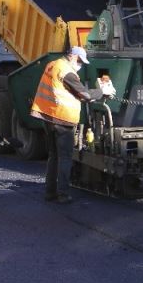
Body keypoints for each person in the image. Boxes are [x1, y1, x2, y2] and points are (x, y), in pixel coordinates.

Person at [30, 46, 115, 204]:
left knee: (53, 156)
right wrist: (103, 91)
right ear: (73, 57)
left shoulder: (53, 64)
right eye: (80, 61)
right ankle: (63, 194)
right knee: (65, 158)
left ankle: (50, 192)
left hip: (48, 117)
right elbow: (85, 95)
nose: (80, 65)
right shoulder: (67, 71)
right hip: (63, 119)